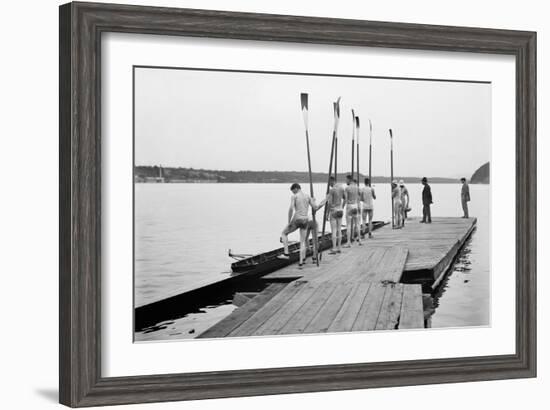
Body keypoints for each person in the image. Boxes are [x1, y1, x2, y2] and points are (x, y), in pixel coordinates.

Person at [279, 183, 325, 267]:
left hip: (297, 218)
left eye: (293, 191)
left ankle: (286, 254)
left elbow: (291, 208)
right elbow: (315, 208)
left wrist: (289, 222)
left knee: (284, 233)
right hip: (305, 219)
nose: (293, 193)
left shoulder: (295, 196)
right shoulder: (308, 196)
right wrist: (324, 202)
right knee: (302, 242)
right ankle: (301, 262)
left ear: (295, 189)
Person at [325, 176, 345, 253]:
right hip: (340, 210)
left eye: (329, 182)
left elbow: (329, 203)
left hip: (334, 210)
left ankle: (334, 248)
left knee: (333, 230)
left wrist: (327, 213)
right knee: (339, 229)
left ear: (332, 181)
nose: (329, 184)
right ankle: (339, 248)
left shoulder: (332, 190)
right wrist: (342, 206)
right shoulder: (341, 188)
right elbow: (345, 198)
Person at [344, 174, 361, 246]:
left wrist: (342, 207)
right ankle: (359, 240)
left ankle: (348, 242)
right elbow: (359, 197)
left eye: (346, 180)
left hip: (349, 205)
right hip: (355, 205)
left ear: (349, 179)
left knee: (348, 225)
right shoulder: (357, 187)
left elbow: (345, 199)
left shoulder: (347, 188)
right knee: (357, 224)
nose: (345, 181)